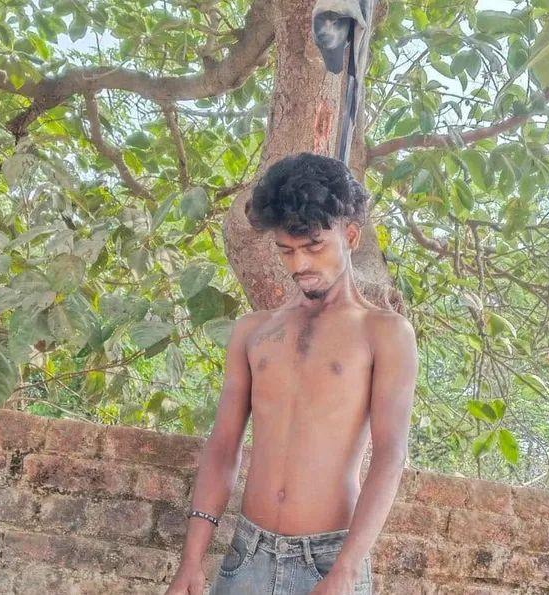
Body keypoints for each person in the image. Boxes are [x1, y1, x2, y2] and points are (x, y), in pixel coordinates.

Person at [166, 152, 418, 595]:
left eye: (314, 247)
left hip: (328, 560)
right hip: (248, 554)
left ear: (350, 235)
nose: (299, 264)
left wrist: (345, 571)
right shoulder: (254, 331)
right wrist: (191, 559)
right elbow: (223, 446)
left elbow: (390, 455)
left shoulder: (384, 332)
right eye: (287, 250)